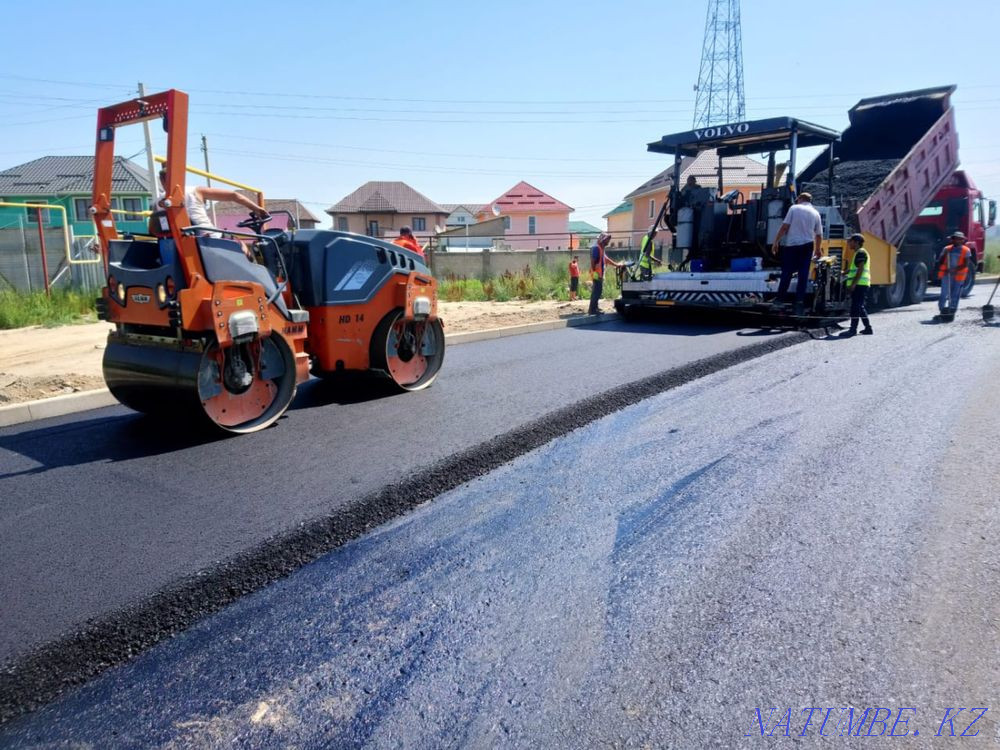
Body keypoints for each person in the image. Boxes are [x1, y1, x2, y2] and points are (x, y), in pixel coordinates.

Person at [156, 168, 267, 239]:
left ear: (162, 181)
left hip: (178, 241)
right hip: (209, 239)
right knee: (240, 244)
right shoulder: (195, 191)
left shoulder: (158, 202)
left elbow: (155, 226)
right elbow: (234, 195)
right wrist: (257, 209)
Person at [771, 192, 822, 315]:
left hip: (792, 245)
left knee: (787, 272)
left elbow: (784, 227)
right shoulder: (816, 213)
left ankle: (780, 299)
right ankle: (799, 301)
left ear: (800, 199)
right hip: (807, 246)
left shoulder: (794, 208)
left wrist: (776, 242)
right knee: (803, 274)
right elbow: (819, 234)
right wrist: (818, 249)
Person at [839, 233, 873, 337]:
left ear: (857, 242)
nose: (849, 243)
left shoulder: (861, 253)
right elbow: (855, 268)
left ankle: (852, 330)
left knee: (855, 307)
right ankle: (868, 328)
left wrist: (853, 284)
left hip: (859, 284)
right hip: (861, 284)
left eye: (851, 241)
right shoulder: (858, 253)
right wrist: (844, 272)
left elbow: (860, 269)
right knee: (859, 306)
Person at [935, 230, 972, 318]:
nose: (957, 241)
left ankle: (952, 311)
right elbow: (940, 261)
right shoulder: (947, 249)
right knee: (944, 294)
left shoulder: (966, 250)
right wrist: (944, 255)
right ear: (953, 239)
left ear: (962, 240)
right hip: (946, 275)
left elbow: (966, 264)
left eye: (959, 239)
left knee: (955, 295)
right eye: (955, 239)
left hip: (959, 276)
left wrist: (953, 270)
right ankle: (942, 311)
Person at [589, 232, 621, 315]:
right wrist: (594, 272)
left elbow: (606, 259)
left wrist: (616, 264)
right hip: (596, 274)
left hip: (599, 274)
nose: (608, 242)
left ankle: (595, 308)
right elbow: (593, 261)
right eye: (607, 240)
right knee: (596, 291)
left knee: (598, 291)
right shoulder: (596, 248)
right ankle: (592, 310)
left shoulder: (601, 248)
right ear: (602, 240)